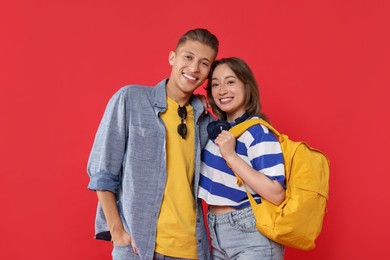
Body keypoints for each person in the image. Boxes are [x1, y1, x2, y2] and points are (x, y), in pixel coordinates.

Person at [87, 28, 219, 260]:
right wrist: (117, 232)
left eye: (204, 63)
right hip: (140, 248)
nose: (194, 68)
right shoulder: (131, 99)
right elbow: (102, 172)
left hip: (192, 250)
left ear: (208, 74)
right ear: (172, 58)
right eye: (188, 57)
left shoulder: (204, 119)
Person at [199, 57, 286, 259]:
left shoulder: (257, 132)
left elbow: (276, 193)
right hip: (215, 233)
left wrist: (231, 156)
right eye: (215, 84)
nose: (222, 90)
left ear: (247, 86)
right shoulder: (217, 132)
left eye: (230, 82)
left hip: (252, 235)